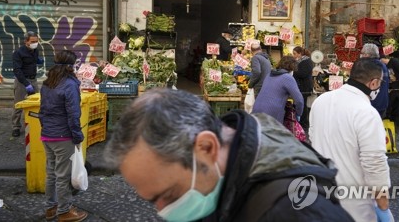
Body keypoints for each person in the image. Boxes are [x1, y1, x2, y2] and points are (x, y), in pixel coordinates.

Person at [103, 88, 354, 221]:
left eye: (169, 194)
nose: (162, 211)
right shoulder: (219, 184)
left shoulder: (297, 211)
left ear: (206, 147)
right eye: (151, 201)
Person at [309, 59, 392, 222]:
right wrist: (384, 207)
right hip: (354, 203)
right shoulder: (367, 113)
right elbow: (375, 163)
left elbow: (313, 142)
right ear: (374, 83)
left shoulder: (321, 101)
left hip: (321, 193)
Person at [39, 50, 88, 222]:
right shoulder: (69, 84)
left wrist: (45, 129)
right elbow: (73, 114)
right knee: (62, 176)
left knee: (51, 173)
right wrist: (77, 135)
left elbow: (42, 110)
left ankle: (50, 208)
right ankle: (64, 212)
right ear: (71, 66)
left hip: (47, 135)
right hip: (62, 136)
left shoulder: (47, 82)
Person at [252, 55, 304, 124]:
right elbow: (299, 100)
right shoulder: (287, 78)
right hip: (272, 113)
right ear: (292, 67)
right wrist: (298, 114)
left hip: (256, 109)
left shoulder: (269, 74)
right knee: (272, 134)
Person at [12, 31, 44, 137]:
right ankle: (16, 127)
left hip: (33, 80)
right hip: (22, 81)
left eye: (36, 41)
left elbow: (34, 61)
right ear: (26, 41)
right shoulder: (18, 53)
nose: (35, 43)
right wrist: (26, 84)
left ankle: (33, 124)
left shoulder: (35, 51)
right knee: (19, 105)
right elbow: (17, 70)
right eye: (33, 41)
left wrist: (38, 60)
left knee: (36, 104)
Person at [360, 43, 389, 117]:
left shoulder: (370, 66)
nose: (361, 55)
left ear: (367, 54)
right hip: (382, 102)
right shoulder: (382, 65)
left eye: (362, 53)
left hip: (373, 104)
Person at [292, 46, 313, 130]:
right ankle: (301, 122)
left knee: (303, 104)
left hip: (304, 87)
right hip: (301, 86)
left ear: (300, 54)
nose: (294, 56)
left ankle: (304, 123)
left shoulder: (306, 61)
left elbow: (302, 74)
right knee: (302, 103)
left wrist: (293, 70)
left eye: (295, 54)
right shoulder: (301, 61)